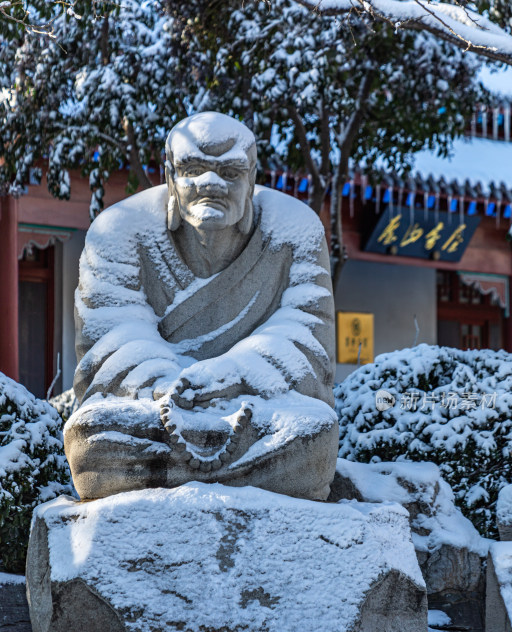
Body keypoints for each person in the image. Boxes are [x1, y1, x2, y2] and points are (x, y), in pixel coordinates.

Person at [64, 112, 338, 501]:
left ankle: (169, 474)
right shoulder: (119, 229)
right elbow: (108, 333)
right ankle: (246, 477)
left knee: (315, 436)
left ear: (252, 177)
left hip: (256, 404)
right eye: (193, 169)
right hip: (153, 407)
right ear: (169, 174)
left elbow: (308, 331)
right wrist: (163, 383)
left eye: (230, 172)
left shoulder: (294, 231)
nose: (211, 184)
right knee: (91, 437)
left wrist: (236, 372)